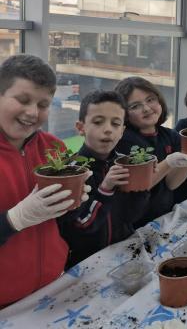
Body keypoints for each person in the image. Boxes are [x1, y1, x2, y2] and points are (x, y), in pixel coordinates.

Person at [0, 55, 91, 306]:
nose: (32, 112)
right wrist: (14, 220)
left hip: (52, 286)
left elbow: (64, 223)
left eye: (43, 104)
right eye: (23, 100)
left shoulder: (54, 148)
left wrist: (76, 201)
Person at [58, 90, 149, 268]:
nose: (108, 129)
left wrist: (142, 187)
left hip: (124, 254)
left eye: (115, 124)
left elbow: (132, 216)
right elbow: (82, 226)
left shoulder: (125, 163)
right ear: (80, 127)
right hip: (84, 265)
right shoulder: (72, 171)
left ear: (122, 131)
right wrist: (105, 189)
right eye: (98, 122)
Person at [114, 77, 187, 226]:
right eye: (135, 106)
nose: (146, 108)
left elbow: (171, 184)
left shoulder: (170, 135)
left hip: (163, 218)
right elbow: (140, 185)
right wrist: (168, 163)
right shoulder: (124, 140)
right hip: (136, 225)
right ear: (124, 114)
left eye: (150, 100)